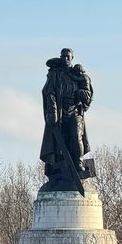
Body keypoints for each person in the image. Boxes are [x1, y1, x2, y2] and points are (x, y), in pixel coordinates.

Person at [39, 48, 93, 188]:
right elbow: (48, 92)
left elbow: (88, 95)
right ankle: (59, 169)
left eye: (68, 56)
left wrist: (82, 93)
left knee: (76, 137)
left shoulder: (78, 74)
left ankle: (78, 163)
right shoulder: (55, 73)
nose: (66, 59)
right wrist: (53, 111)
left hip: (75, 110)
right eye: (63, 56)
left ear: (72, 57)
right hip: (60, 112)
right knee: (58, 144)